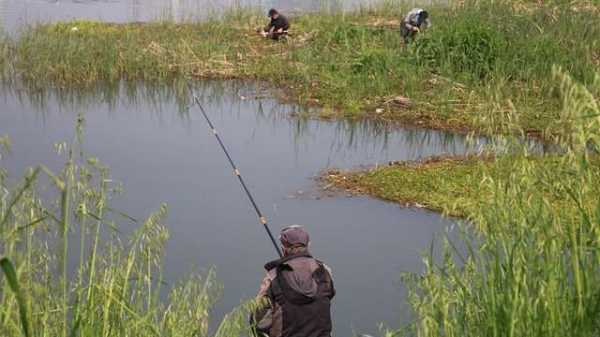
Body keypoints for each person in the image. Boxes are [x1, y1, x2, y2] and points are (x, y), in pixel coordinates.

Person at [251, 225, 335, 337]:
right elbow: (327, 297)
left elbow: (257, 320)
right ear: (308, 245)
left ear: (283, 250)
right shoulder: (325, 272)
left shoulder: (273, 277)